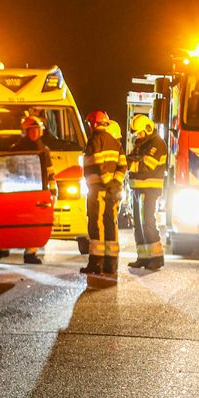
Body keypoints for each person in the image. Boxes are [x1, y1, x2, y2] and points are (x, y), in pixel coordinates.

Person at [0, 115, 55, 264]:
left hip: (36, 190)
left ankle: (30, 253)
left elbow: (50, 173)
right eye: (31, 130)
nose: (34, 133)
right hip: (18, 189)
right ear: (25, 132)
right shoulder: (16, 148)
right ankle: (3, 248)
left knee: (34, 223)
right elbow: (9, 169)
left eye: (36, 130)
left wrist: (53, 192)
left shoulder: (44, 151)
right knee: (9, 220)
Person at [80, 110, 127, 275]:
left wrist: (107, 183)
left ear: (93, 124)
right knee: (111, 224)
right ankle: (110, 264)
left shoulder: (94, 140)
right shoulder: (115, 142)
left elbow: (98, 164)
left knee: (96, 225)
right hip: (112, 192)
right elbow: (123, 165)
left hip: (98, 190)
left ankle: (96, 262)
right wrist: (116, 183)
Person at [126, 114, 167, 270]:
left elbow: (146, 167)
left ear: (148, 129)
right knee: (138, 224)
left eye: (140, 133)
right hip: (138, 188)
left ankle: (156, 257)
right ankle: (143, 257)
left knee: (147, 222)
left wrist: (128, 163)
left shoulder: (157, 144)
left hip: (149, 189)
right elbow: (131, 159)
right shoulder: (142, 144)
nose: (138, 136)